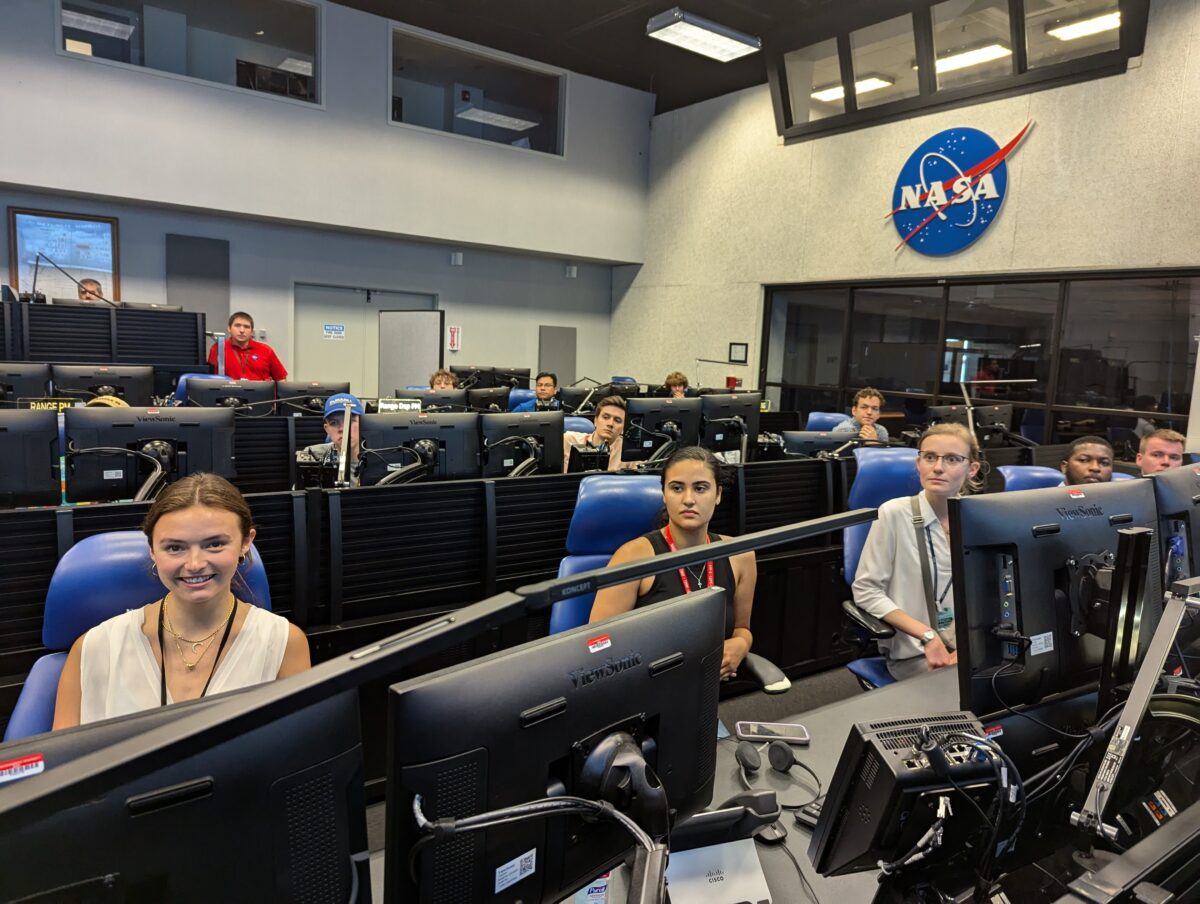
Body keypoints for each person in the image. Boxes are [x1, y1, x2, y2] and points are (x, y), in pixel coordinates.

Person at [53, 473, 310, 729]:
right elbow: (63, 765)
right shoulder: (96, 648)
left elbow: (298, 756)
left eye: (215, 544)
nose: (195, 564)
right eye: (175, 548)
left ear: (245, 542)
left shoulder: (283, 643)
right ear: (152, 550)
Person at [590, 446, 755, 680]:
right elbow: (596, 644)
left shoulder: (740, 555)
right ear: (664, 494)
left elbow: (742, 628)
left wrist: (741, 643)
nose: (688, 499)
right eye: (677, 488)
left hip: (703, 698)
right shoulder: (633, 556)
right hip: (642, 693)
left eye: (700, 488)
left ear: (717, 495)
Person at [852, 423, 982, 681]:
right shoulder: (893, 513)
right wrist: (927, 635)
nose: (938, 467)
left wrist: (972, 648)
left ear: (972, 469)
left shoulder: (979, 518)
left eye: (953, 459)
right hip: (917, 654)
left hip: (970, 650)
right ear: (918, 463)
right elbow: (866, 591)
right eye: (930, 457)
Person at [296, 393, 365, 487]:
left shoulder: (382, 457)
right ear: (326, 429)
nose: (342, 428)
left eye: (349, 420)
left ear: (364, 423)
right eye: (334, 423)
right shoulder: (312, 455)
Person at [207, 311, 288, 381]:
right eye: (237, 326)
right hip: (227, 395)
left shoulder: (266, 350)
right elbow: (209, 378)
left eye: (246, 327)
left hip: (260, 397)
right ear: (229, 328)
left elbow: (281, 378)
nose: (242, 330)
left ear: (252, 331)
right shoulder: (218, 348)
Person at [562, 395, 634, 472]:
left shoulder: (629, 451)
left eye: (617, 420)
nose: (610, 424)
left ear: (623, 428)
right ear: (595, 420)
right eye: (606, 417)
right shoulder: (568, 440)